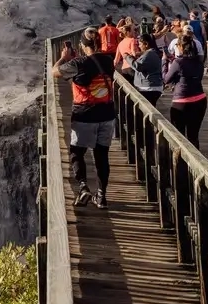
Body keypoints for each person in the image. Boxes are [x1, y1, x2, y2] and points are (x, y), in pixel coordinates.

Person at [53, 42, 116, 209]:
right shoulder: (108, 60)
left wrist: (63, 58)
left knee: (77, 152)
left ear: (82, 45)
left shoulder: (78, 63)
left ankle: (83, 187)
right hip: (107, 115)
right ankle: (101, 197)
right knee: (102, 155)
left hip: (85, 115)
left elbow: (54, 72)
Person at [165, 33, 208, 148]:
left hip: (181, 102)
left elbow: (166, 79)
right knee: (193, 136)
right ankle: (196, 159)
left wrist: (164, 63)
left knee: (179, 137)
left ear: (180, 46)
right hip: (200, 99)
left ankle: (181, 160)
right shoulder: (199, 62)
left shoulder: (178, 62)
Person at [129, 32, 165, 106]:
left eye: (140, 44)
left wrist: (128, 57)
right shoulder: (150, 53)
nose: (139, 46)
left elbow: (138, 67)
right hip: (150, 87)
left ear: (146, 44)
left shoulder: (149, 54)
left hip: (149, 88)